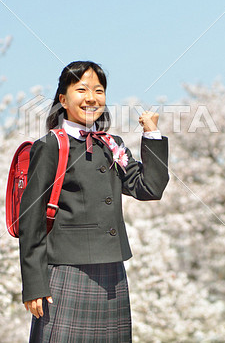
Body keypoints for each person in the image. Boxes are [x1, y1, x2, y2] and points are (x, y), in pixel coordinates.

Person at [19, 60, 169, 342]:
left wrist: (151, 133)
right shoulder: (51, 145)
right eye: (82, 89)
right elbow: (31, 218)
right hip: (65, 271)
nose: (91, 98)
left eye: (99, 91)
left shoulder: (111, 144)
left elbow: (149, 188)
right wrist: (34, 285)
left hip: (112, 270)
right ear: (63, 99)